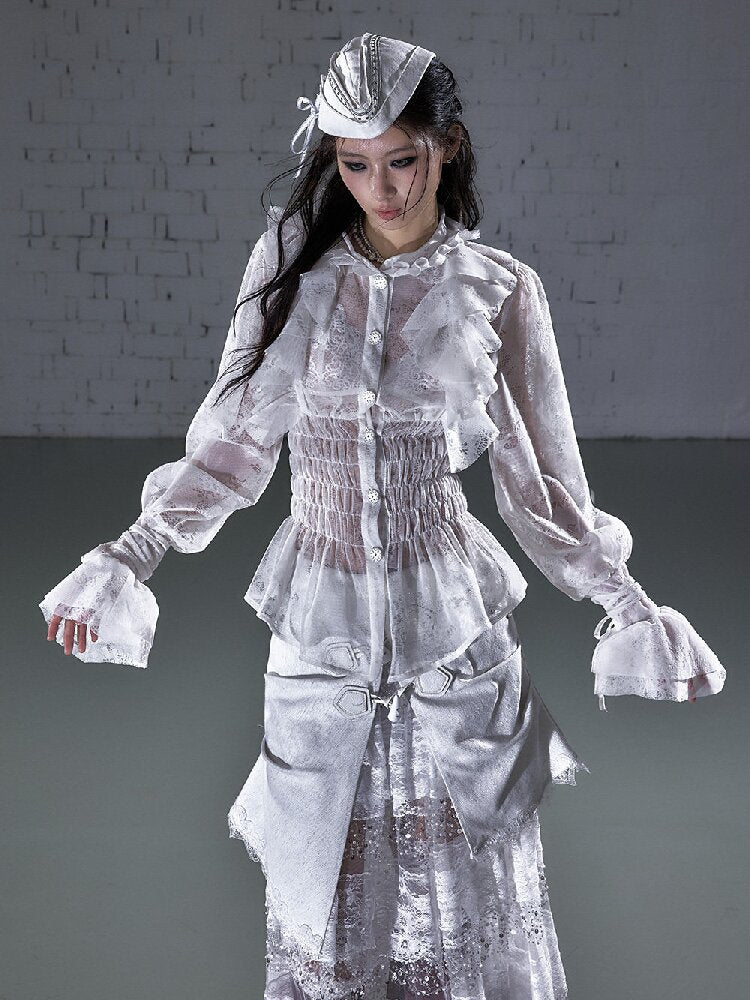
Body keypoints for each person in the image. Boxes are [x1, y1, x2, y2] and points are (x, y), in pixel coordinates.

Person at [39, 32, 726, 1000]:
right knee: (321, 875)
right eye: (356, 165)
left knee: (470, 877)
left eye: (402, 159)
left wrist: (628, 605)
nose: (381, 187)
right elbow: (234, 445)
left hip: (453, 622)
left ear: (447, 147)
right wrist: (131, 554)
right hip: (317, 619)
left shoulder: (497, 289)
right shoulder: (291, 267)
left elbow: (539, 480)